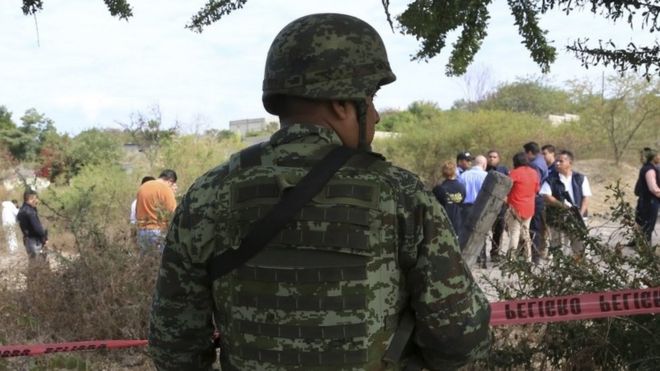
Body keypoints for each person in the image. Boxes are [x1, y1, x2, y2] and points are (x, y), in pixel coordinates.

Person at [149, 13, 491, 371]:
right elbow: (460, 339)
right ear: (342, 104)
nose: (375, 115)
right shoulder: (400, 195)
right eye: (370, 99)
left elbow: (173, 345)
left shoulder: (207, 195)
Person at [540, 150, 592, 256]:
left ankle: (579, 271)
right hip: (558, 219)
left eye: (561, 161)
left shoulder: (580, 178)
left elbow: (586, 198)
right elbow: (546, 196)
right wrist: (563, 206)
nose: (557, 163)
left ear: (570, 163)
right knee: (559, 251)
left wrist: (579, 215)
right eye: (557, 161)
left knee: (581, 250)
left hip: (578, 219)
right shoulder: (551, 180)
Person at [500, 152, 539, 262]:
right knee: (526, 233)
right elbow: (537, 189)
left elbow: (505, 189)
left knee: (515, 233)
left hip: (515, 207)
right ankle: (528, 257)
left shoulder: (514, 173)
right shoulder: (534, 173)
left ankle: (511, 258)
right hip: (529, 206)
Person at [135, 170, 177, 254]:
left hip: (142, 231)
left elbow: (136, 211)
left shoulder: (142, 187)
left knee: (145, 262)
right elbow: (173, 213)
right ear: (170, 181)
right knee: (158, 262)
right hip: (158, 232)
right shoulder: (166, 189)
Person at [524, 141, 549, 262]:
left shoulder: (534, 165)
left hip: (536, 198)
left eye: (526, 154)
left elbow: (536, 184)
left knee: (534, 228)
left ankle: (535, 256)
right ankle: (536, 254)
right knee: (537, 227)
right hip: (540, 199)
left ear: (529, 152)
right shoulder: (542, 161)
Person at [485, 150, 509, 261]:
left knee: (498, 230)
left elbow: (510, 185)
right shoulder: (484, 170)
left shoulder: (503, 169)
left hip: (500, 205)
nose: (492, 159)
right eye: (490, 156)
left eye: (494, 157)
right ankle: (481, 254)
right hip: (487, 205)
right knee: (483, 230)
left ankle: (495, 253)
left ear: (498, 159)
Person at [634, 148, 660, 244]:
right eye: (658, 155)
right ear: (653, 158)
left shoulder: (647, 167)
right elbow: (653, 189)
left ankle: (641, 244)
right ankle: (646, 250)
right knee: (648, 225)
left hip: (645, 199)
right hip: (650, 201)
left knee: (642, 223)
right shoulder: (650, 170)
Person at [432, 161, 466, 234]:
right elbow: (461, 202)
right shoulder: (461, 187)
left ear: (443, 172)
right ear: (455, 172)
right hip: (457, 225)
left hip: (442, 224)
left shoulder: (439, 189)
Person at [16, 190, 48, 259]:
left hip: (27, 241)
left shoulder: (21, 210)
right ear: (31, 199)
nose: (37, 201)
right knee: (39, 264)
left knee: (32, 263)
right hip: (35, 241)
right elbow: (37, 228)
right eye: (36, 198)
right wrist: (44, 237)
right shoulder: (30, 211)